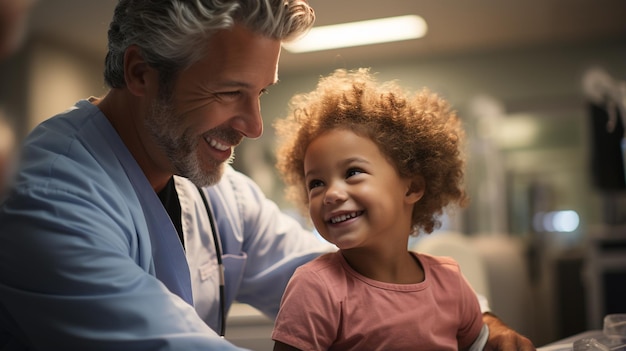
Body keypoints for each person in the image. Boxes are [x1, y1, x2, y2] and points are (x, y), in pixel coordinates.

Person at [0, 0, 535, 350]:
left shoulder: (215, 186)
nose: (254, 126)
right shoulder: (49, 198)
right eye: (229, 92)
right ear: (141, 72)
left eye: (260, 93)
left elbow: (340, 273)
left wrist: (479, 324)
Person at [271, 68, 486, 350]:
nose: (331, 194)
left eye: (352, 172)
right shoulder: (316, 287)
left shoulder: (451, 283)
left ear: (411, 188)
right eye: (317, 183)